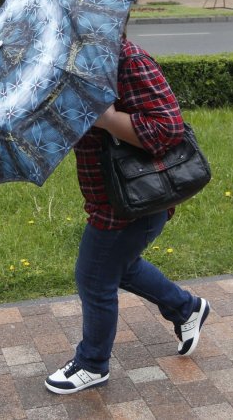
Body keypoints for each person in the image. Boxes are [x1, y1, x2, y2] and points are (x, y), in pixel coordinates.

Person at [44, 25, 210, 395]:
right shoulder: (87, 64)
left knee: (94, 277)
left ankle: (92, 364)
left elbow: (168, 128)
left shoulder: (128, 62)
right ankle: (186, 309)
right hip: (114, 196)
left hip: (132, 201)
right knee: (122, 266)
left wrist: (106, 118)